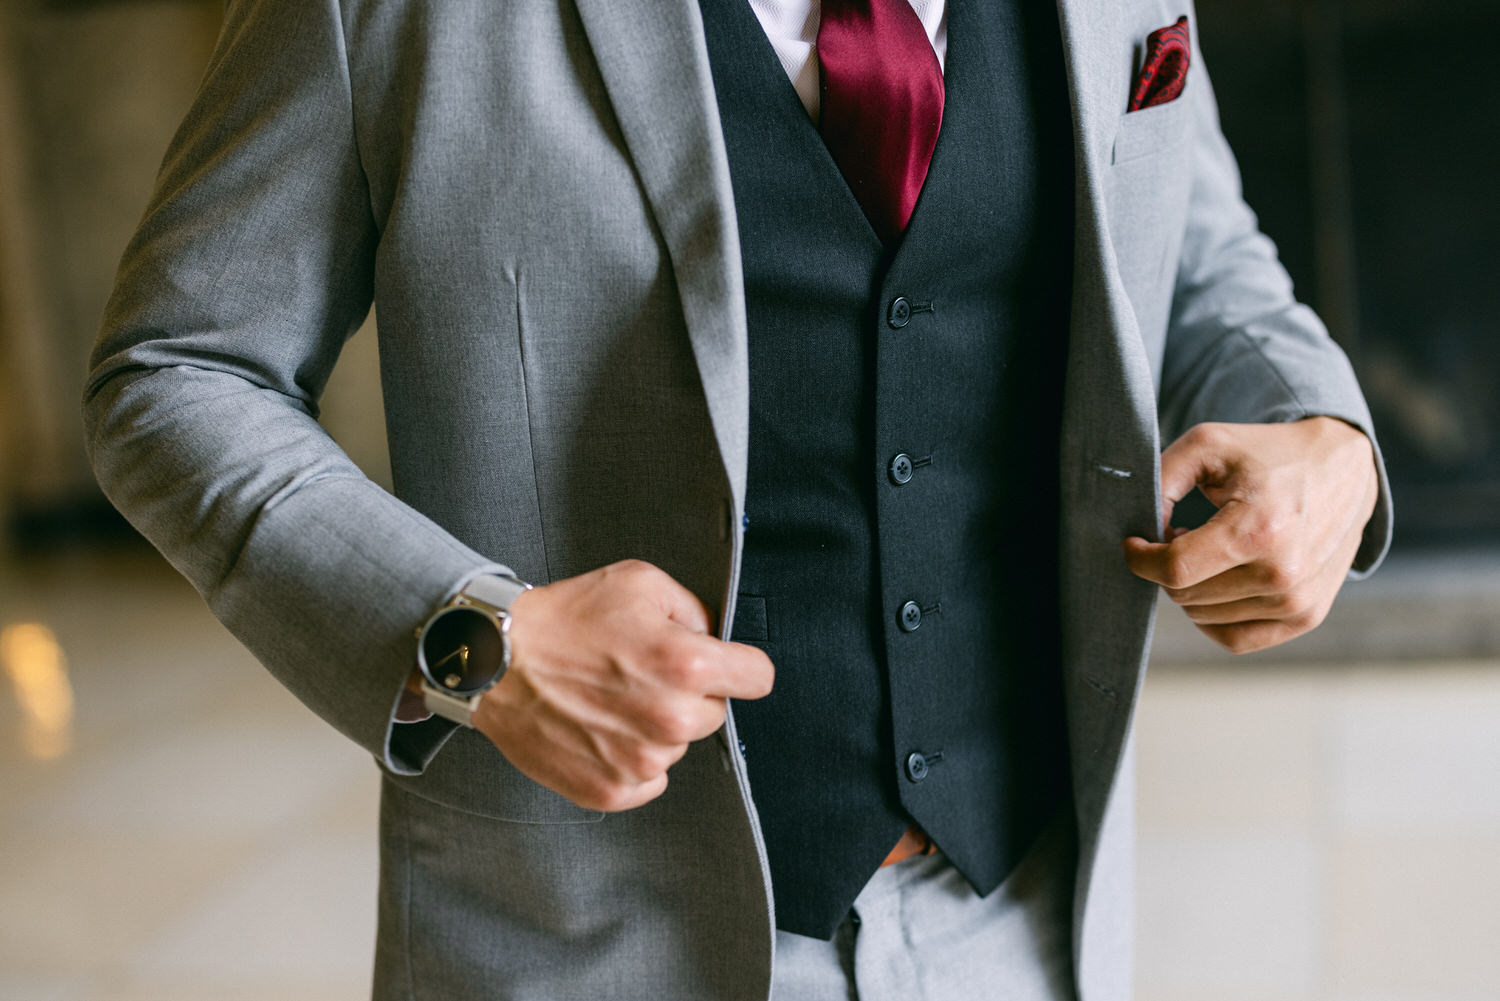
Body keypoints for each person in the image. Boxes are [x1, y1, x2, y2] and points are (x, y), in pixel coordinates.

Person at [83, 0, 1389, 997]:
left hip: (1031, 916)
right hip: (596, 942)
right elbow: (177, 367)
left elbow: (1196, 251)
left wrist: (1319, 428)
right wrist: (477, 640)